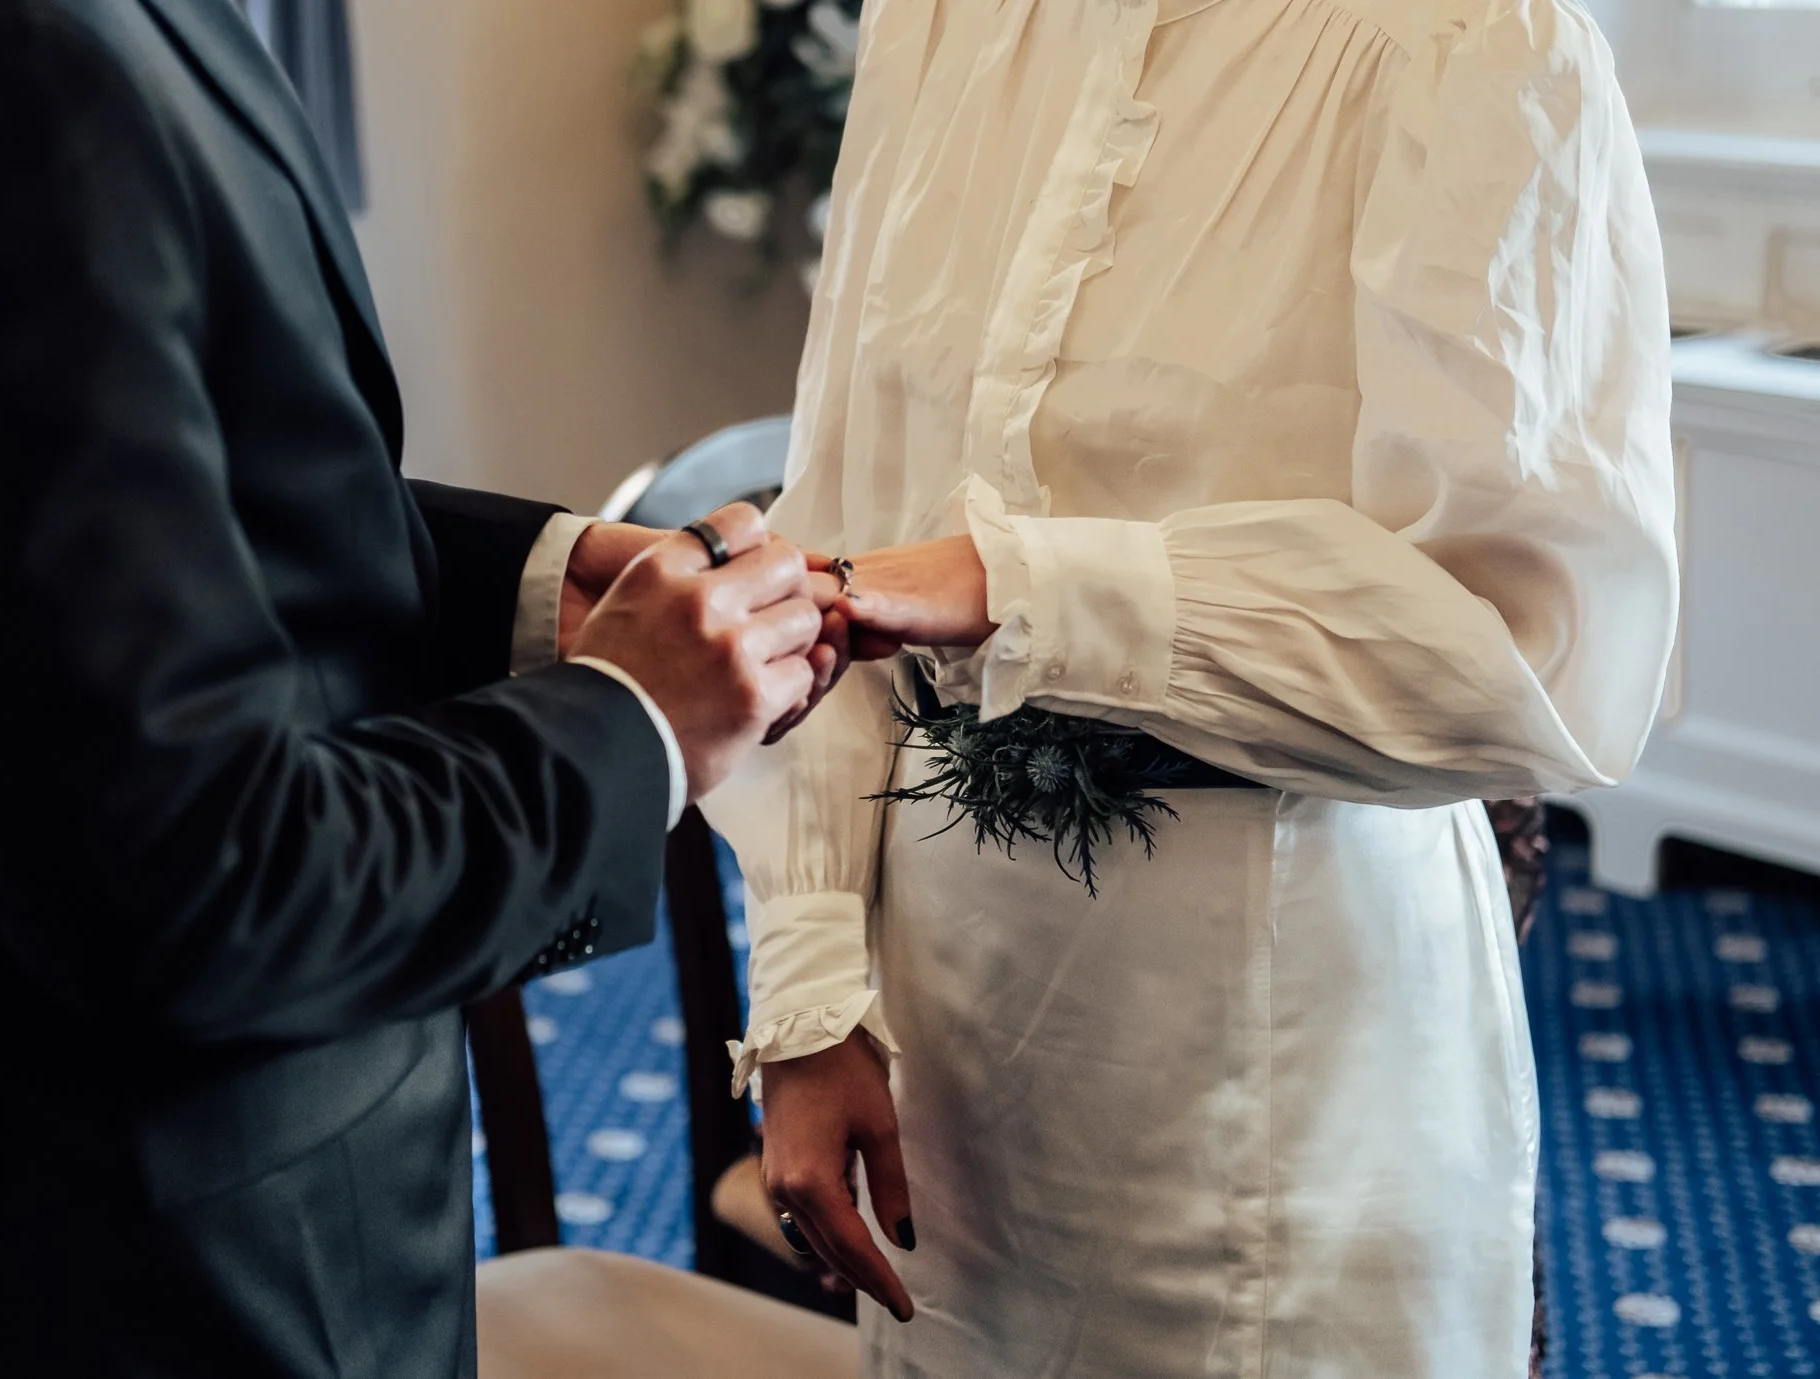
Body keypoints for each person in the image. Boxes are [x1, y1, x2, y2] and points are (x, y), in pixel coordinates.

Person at [0, 0, 851, 1373]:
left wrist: (535, 577)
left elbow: (25, 535)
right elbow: (197, 879)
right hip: (137, 1278)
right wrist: (634, 723)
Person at [703, 0, 1678, 1373]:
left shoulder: (1473, 39)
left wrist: (1030, 584)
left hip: (1277, 1024)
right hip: (944, 1025)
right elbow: (843, 537)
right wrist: (807, 997)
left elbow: (1534, 649)